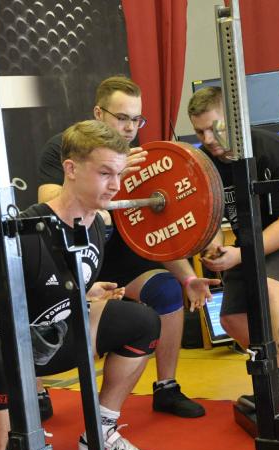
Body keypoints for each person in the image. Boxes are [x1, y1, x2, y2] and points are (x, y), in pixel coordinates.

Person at [0, 120, 162, 450]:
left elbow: (56, 284)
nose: (116, 186)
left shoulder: (95, 223)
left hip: (50, 335)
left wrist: (87, 292)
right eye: (105, 173)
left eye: (119, 174)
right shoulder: (27, 230)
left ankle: (99, 436)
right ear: (70, 169)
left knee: (141, 321)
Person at [37, 75, 217, 419]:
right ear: (98, 113)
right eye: (122, 118)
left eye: (137, 119)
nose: (130, 127)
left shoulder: (143, 158)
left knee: (167, 289)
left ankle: (166, 388)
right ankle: (36, 392)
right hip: (75, 259)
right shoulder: (63, 148)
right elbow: (48, 203)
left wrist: (188, 278)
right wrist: (107, 179)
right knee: (39, 297)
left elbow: (157, 230)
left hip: (120, 257)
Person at [187, 86, 279, 413]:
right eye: (200, 132)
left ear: (234, 119)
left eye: (215, 128)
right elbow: (210, 216)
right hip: (249, 239)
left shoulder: (276, 150)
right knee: (231, 318)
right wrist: (215, 247)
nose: (208, 139)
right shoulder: (205, 163)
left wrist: (241, 255)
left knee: (272, 288)